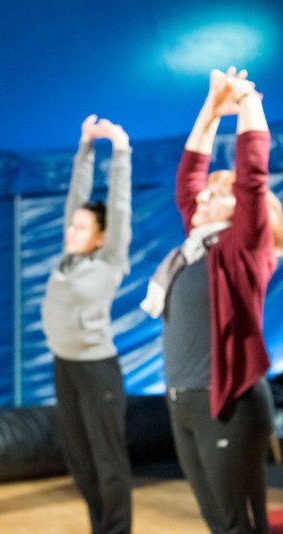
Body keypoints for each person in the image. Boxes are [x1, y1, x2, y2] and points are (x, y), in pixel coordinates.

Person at [141, 67, 283, 533]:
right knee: (222, 523)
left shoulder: (244, 248)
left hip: (227, 403)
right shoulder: (195, 246)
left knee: (235, 524)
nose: (201, 197)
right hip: (183, 400)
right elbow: (188, 179)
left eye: (217, 194)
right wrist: (210, 108)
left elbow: (253, 176)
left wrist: (247, 102)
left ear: (242, 211)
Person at [40, 115, 133, 534]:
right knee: (78, 458)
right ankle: (101, 527)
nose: (73, 229)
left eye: (82, 227)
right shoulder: (68, 256)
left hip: (98, 369)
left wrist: (119, 150)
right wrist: (85, 147)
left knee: (108, 458)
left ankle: (115, 529)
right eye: (72, 225)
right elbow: (76, 195)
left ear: (99, 237)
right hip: (66, 365)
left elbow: (118, 205)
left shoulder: (110, 259)